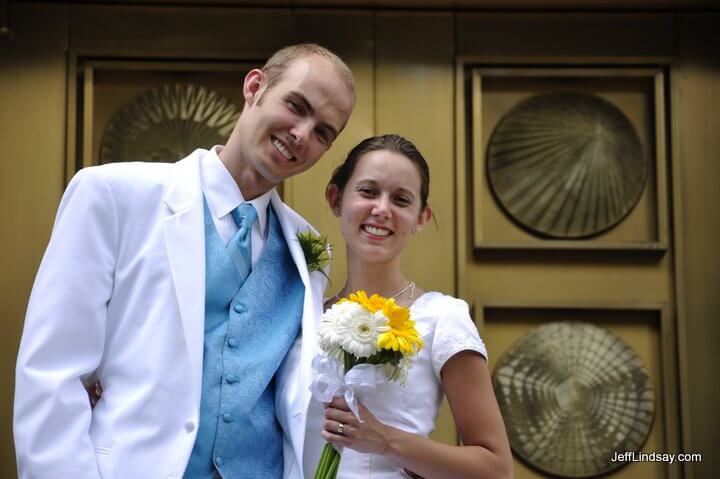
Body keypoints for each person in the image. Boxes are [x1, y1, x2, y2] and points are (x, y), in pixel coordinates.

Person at [14, 44, 355, 479]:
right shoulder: (114, 196)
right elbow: (51, 374)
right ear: (255, 87)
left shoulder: (308, 247)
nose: (303, 134)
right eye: (296, 105)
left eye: (324, 131)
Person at [306, 134, 514, 478]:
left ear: (421, 217)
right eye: (368, 191)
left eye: (401, 199)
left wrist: (385, 440)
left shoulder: (441, 318)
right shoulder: (304, 313)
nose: (382, 209)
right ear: (335, 198)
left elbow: (497, 470)